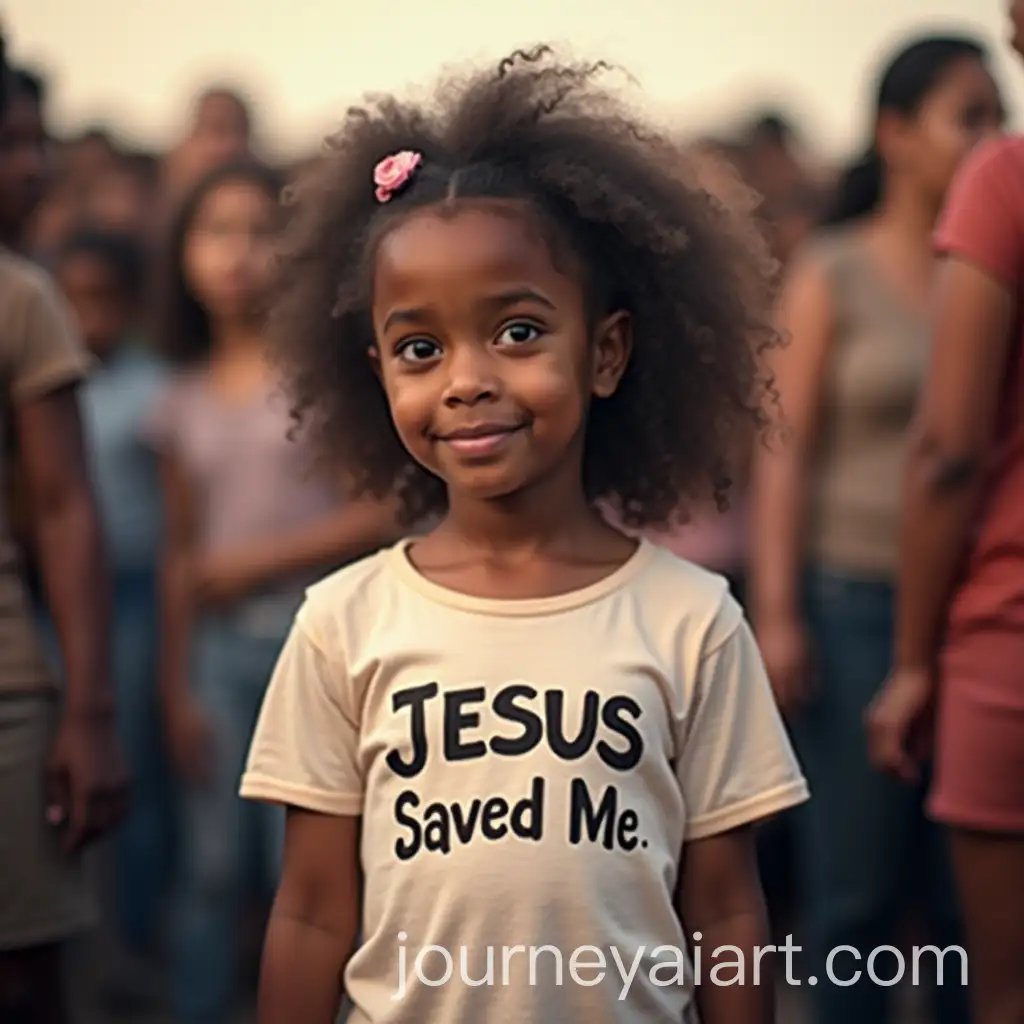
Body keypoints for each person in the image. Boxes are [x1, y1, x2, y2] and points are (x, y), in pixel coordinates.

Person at [240, 46, 810, 1024]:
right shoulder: (342, 623)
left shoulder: (694, 622)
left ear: (606, 350)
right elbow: (309, 912)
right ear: (377, 371)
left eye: (516, 332)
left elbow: (724, 907)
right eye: (421, 348)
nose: (466, 378)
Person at [747, 33, 1003, 1024]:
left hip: (975, 606)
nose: (991, 137)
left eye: (999, 114)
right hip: (850, 602)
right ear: (893, 134)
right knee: (851, 892)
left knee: (959, 908)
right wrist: (778, 613)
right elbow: (782, 452)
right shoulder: (833, 269)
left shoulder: (996, 262)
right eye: (967, 115)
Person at [147, 158, 402, 1024]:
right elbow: (179, 555)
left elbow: (380, 512)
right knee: (212, 867)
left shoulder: (320, 384)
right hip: (218, 656)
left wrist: (258, 562)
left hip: (319, 649)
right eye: (215, 232)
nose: (237, 254)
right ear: (183, 254)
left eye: (259, 232)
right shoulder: (176, 399)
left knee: (311, 869)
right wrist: (176, 686)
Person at [867, 4, 1024, 1022]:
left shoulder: (1004, 178)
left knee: (1004, 991)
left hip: (1009, 640)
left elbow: (947, 451)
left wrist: (913, 657)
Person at [0, 32, 130, 1024]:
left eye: (35, 141)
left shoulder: (23, 299)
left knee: (23, 976)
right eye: (8, 143)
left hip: (8, 694)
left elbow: (64, 507)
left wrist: (88, 711)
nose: (32, 167)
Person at [54, 229, 172, 984]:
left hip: (132, 593)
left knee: (126, 752)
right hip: (50, 594)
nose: (88, 317)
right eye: (74, 300)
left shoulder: (154, 390)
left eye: (104, 301)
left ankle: (131, 937)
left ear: (131, 306)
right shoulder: (45, 383)